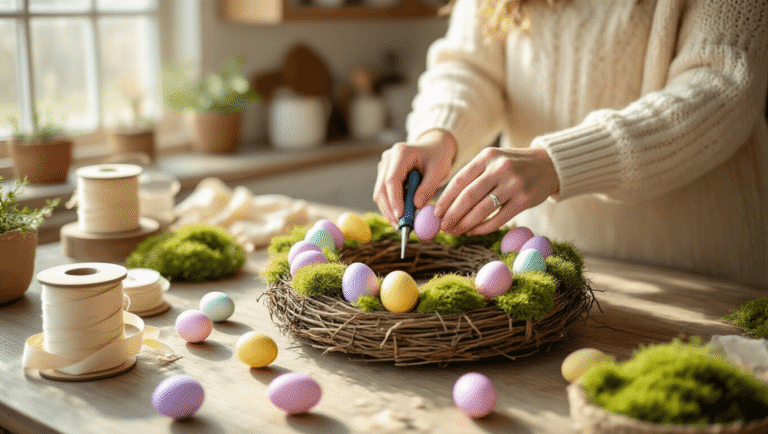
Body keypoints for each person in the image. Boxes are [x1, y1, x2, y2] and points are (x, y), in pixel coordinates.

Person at [373, 0, 768, 288]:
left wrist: (556, 162)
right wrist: (439, 135)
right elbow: (470, 68)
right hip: (547, 267)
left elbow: (722, 86)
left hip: (703, 278)